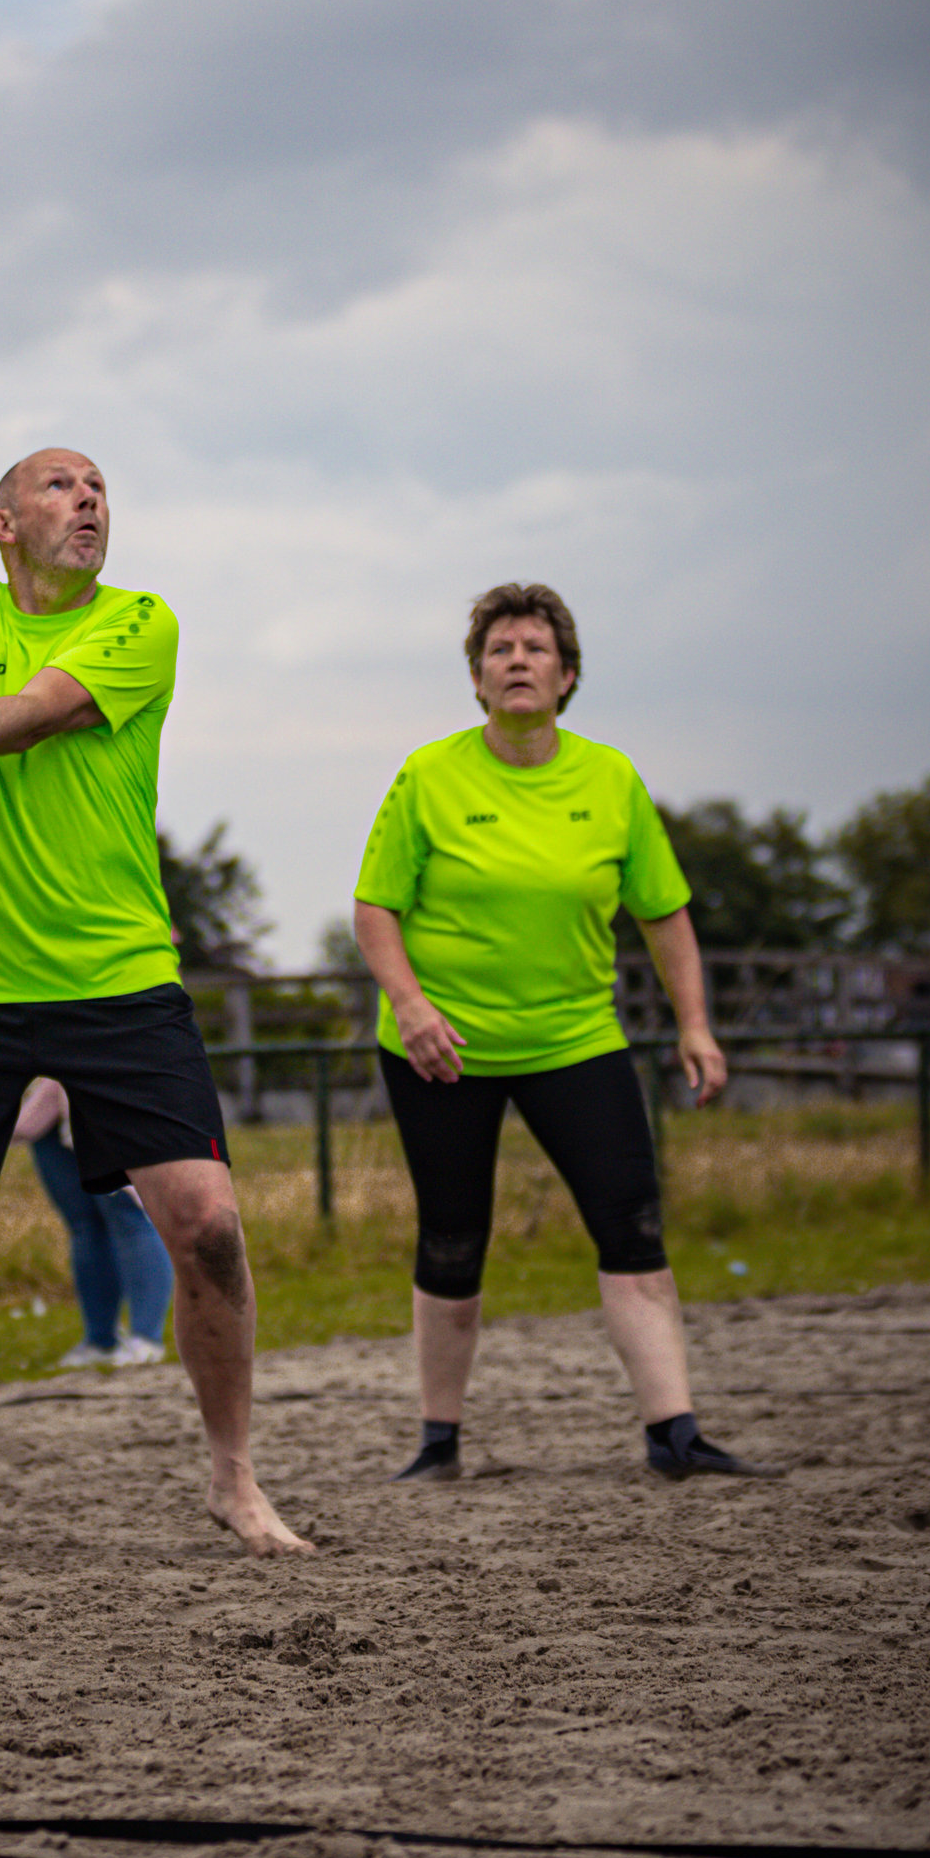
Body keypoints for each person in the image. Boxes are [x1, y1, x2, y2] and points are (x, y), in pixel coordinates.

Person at [0, 445, 310, 1561]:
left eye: (99, 490)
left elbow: (29, 713)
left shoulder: (140, 621)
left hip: (114, 977)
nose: (88, 501)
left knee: (210, 1226)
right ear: (2, 523)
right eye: (60, 487)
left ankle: (234, 1481)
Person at [352, 580, 763, 1486]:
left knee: (634, 1225)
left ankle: (676, 1435)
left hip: (576, 1039)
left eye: (536, 649)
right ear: (476, 679)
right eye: (499, 650)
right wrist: (413, 1009)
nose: (518, 662)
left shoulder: (610, 778)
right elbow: (374, 908)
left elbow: (665, 915)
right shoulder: (430, 774)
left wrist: (695, 1025)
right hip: (442, 1047)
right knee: (454, 1238)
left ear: (568, 676)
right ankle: (438, 1444)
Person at [13, 1077, 175, 1365]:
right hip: (49, 1098)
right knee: (85, 1225)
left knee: (128, 1215)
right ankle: (101, 1340)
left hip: (103, 1089)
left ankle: (146, 1338)